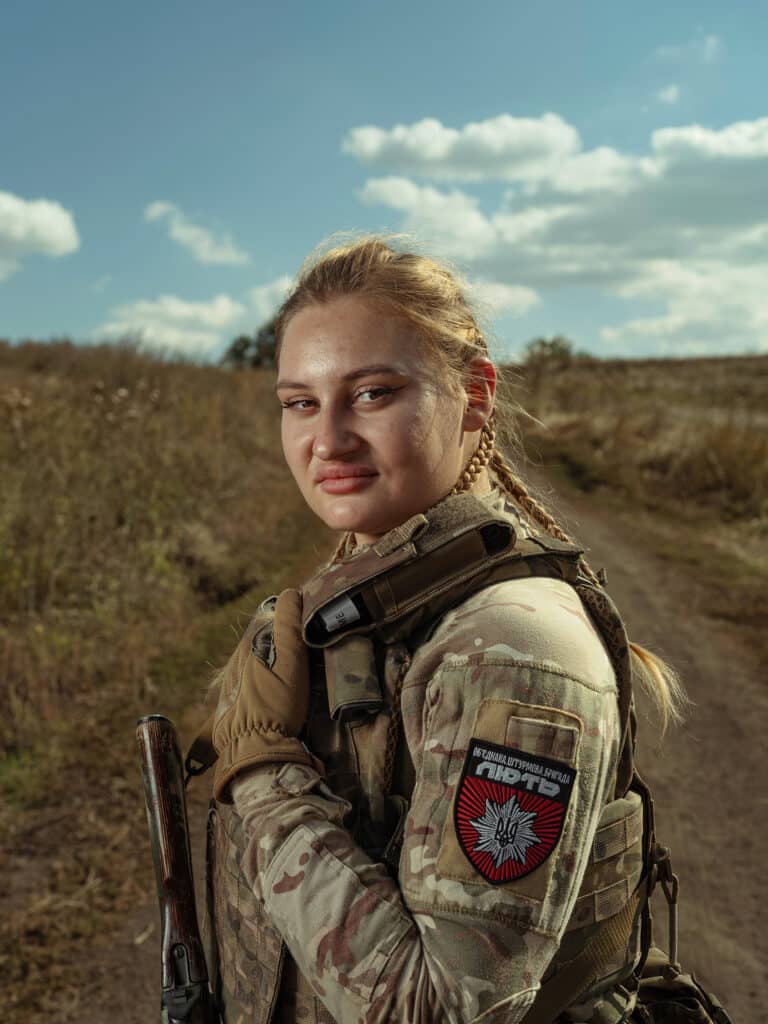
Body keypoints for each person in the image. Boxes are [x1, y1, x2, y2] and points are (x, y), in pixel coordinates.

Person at [203, 236, 685, 1024]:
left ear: (476, 395)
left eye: (373, 394)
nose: (327, 438)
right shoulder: (383, 591)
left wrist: (262, 773)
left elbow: (443, 1008)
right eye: (300, 402)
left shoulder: (510, 652)